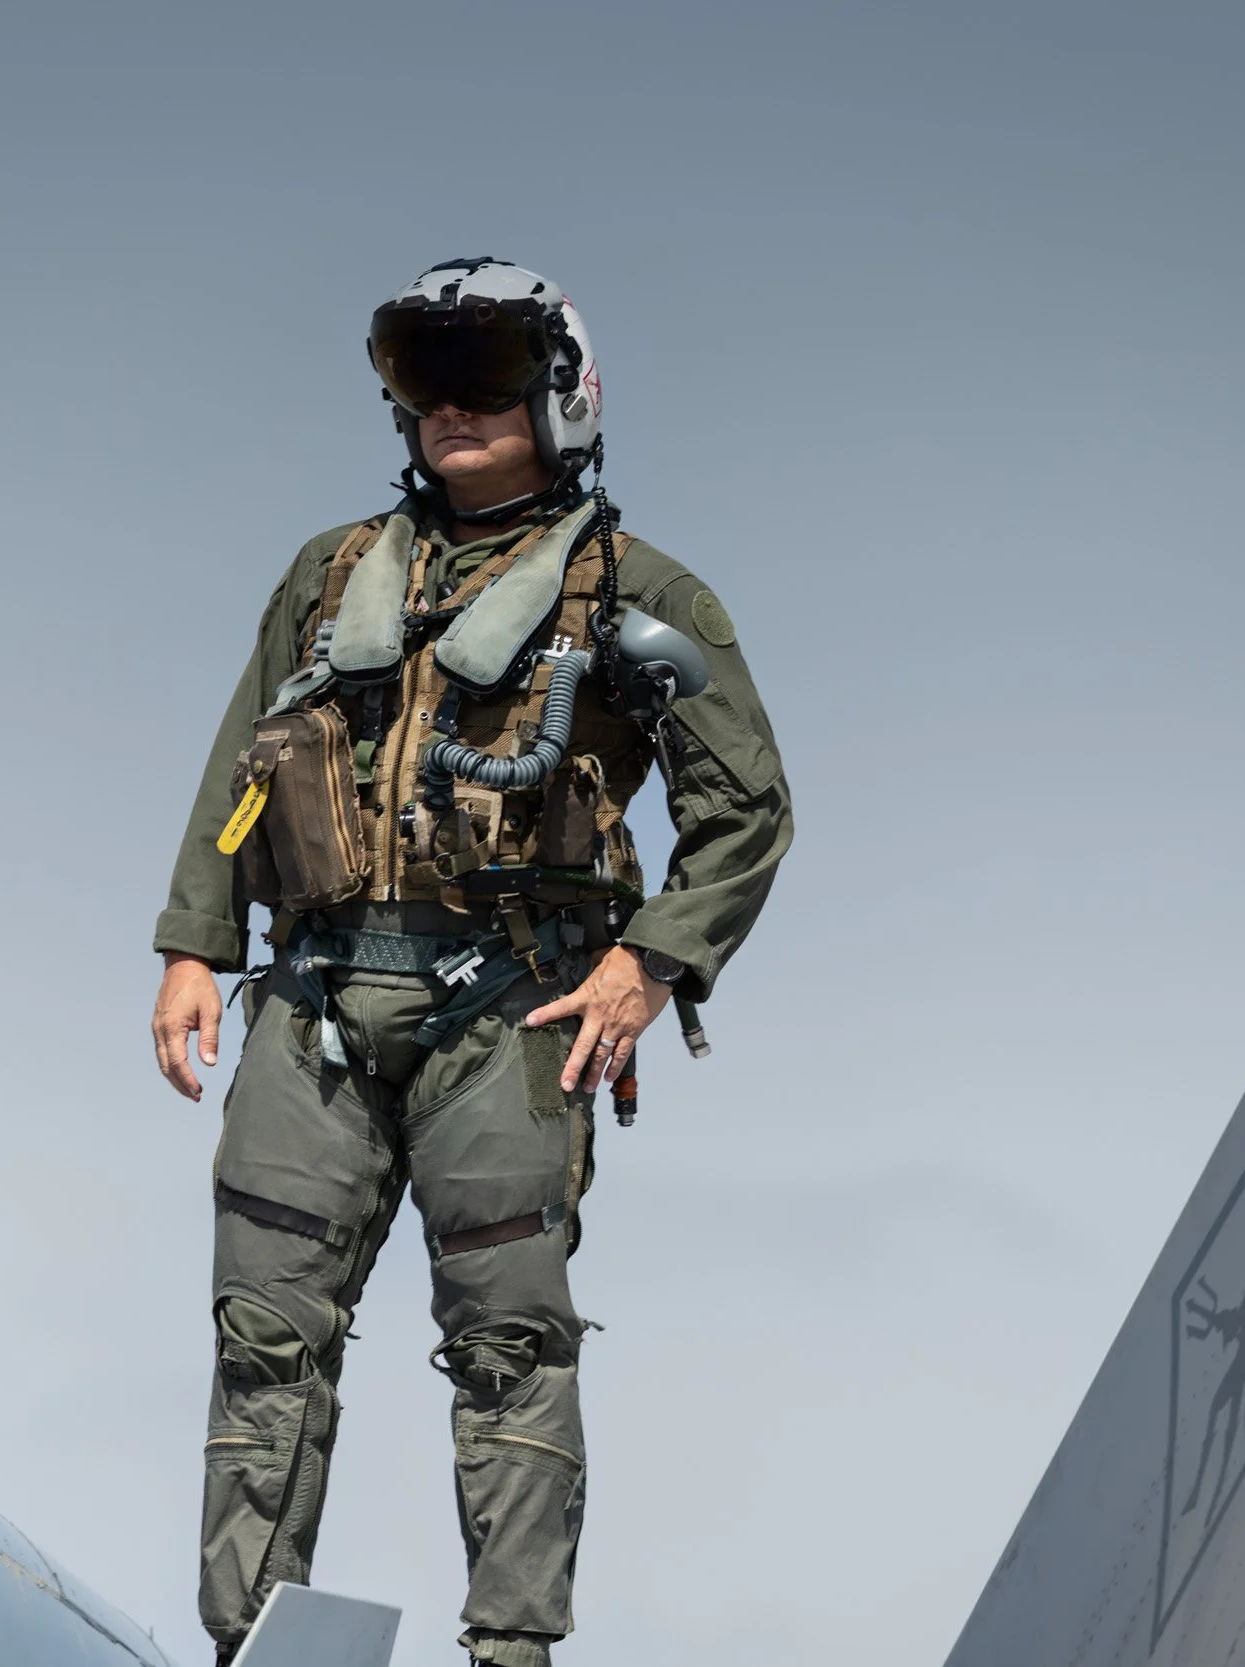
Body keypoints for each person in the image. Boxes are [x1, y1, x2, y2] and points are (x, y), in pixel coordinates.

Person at [150, 257, 793, 1666]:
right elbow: (234, 769)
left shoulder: (642, 594)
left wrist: (650, 966)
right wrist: (197, 944)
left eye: (487, 377)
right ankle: (246, 1642)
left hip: (509, 1016)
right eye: (423, 379)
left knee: (509, 1351)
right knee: (262, 1338)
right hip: (312, 1002)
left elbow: (750, 810)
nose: (451, 408)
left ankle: (511, 1656)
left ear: (561, 395)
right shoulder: (328, 580)